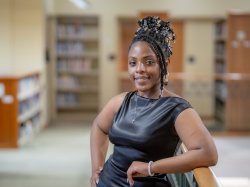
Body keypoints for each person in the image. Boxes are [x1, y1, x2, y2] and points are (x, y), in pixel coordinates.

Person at [90, 16, 218, 187]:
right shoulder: (121, 101)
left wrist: (151, 167)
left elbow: (208, 153)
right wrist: (96, 168)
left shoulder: (177, 109)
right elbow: (98, 127)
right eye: (133, 63)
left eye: (149, 62)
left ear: (164, 64)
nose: (139, 69)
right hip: (107, 181)